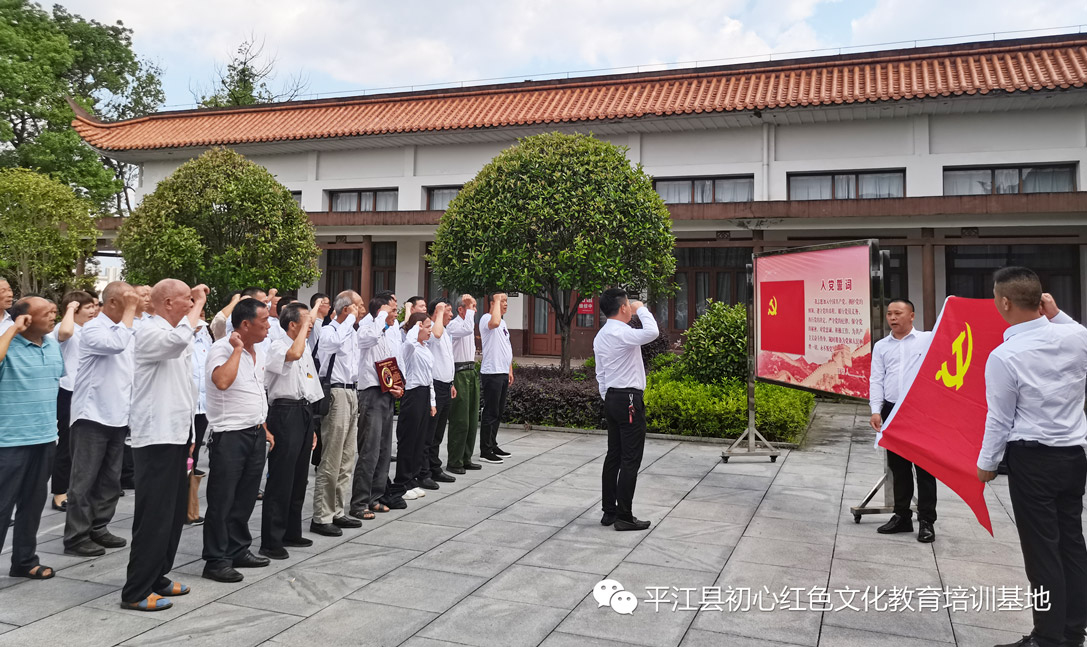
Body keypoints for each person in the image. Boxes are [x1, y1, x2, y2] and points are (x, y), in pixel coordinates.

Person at [977, 269, 1087, 647]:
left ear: (1004, 302)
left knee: (1042, 551)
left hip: (1033, 460)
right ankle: (1073, 631)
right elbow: (1077, 332)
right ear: (1041, 300)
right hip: (1073, 456)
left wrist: (987, 463)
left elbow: (1000, 417)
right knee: (1071, 542)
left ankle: (1048, 637)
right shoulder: (1076, 337)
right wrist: (1056, 315)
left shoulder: (1005, 355)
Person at [121, 280, 207, 612]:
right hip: (155, 436)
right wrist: (198, 305)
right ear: (168, 302)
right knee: (154, 514)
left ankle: (158, 576)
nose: (192, 304)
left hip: (175, 434)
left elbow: (184, 385)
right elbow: (176, 342)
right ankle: (135, 589)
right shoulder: (148, 331)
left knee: (172, 514)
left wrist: (190, 435)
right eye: (187, 299)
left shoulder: (175, 332)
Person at [64, 281, 139, 557]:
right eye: (128, 300)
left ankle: (99, 527)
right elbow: (116, 345)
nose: (134, 304)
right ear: (113, 303)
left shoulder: (129, 329)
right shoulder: (94, 327)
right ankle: (75, 536)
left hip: (118, 415)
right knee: (84, 480)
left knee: (110, 480)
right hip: (92, 415)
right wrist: (131, 313)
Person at [202, 298, 272, 583]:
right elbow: (221, 381)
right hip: (230, 435)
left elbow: (256, 391)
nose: (269, 325)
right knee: (223, 499)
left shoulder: (261, 350)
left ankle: (238, 548)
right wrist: (238, 349)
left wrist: (265, 427)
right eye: (264, 320)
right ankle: (216, 559)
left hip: (255, 432)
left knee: (245, 496)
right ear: (245, 324)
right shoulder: (222, 348)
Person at [0, 298, 63, 580]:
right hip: (9, 440)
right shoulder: (7, 343)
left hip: (45, 436)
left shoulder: (51, 345)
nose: (54, 316)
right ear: (24, 318)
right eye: (47, 312)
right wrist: (13, 330)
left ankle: (24, 560)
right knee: (2, 505)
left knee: (33, 503)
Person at [868, 298, 937, 543]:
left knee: (925, 469)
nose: (893, 318)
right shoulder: (882, 346)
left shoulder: (927, 340)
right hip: (891, 410)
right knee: (898, 467)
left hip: (920, 411)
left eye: (898, 313)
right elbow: (876, 379)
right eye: (889, 314)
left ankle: (927, 520)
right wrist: (876, 410)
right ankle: (902, 516)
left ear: (912, 316)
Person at [260, 302, 323, 559]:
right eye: (305, 322)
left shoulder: (304, 346)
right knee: (282, 477)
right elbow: (293, 355)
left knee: (299, 476)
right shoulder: (278, 345)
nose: (310, 327)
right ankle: (271, 540)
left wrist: (313, 425)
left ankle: (291, 530)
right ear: (292, 324)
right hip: (284, 411)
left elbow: (309, 382)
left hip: (303, 410)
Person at [594, 288, 659, 532]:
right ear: (623, 308)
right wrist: (641, 307)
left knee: (614, 455)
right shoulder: (622, 332)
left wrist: (607, 396)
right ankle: (624, 515)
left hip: (612, 397)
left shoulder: (601, 335)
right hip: (629, 398)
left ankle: (609, 511)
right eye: (628, 305)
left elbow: (600, 373)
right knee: (630, 459)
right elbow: (652, 332)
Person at [310, 290, 365, 536]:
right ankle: (321, 516)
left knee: (347, 456)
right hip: (336, 393)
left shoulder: (351, 331)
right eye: (358, 306)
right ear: (346, 309)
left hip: (352, 392)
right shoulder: (329, 330)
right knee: (331, 457)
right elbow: (330, 346)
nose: (362, 310)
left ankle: (338, 511)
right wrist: (349, 320)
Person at [351, 293, 404, 517]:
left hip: (386, 394)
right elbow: (366, 340)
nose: (395, 314)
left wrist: (398, 385)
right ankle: (359, 502)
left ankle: (375, 496)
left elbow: (387, 362)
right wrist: (382, 315)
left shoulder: (386, 331)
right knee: (369, 451)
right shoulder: (367, 326)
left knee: (383, 451)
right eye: (392, 310)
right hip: (371, 394)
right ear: (381, 310)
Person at [49, 291, 97, 512]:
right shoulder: (65, 327)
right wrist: (69, 308)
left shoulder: (90, 329)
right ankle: (59, 492)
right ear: (75, 308)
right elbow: (65, 332)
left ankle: (78, 489)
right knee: (67, 444)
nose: (93, 310)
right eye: (88, 307)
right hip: (68, 391)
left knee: (81, 444)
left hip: (86, 391)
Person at [386, 313, 437, 504]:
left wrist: (432, 402)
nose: (430, 330)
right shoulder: (409, 347)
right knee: (408, 441)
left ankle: (412, 479)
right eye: (427, 327)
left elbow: (429, 376)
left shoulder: (425, 348)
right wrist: (414, 328)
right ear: (417, 327)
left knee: (419, 440)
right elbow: (407, 346)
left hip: (423, 393)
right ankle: (402, 481)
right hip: (412, 394)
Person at [445, 294, 481, 475]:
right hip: (459, 372)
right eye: (471, 306)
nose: (475, 310)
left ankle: (466, 457)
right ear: (461, 309)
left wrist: (470, 308)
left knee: (472, 417)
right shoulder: (454, 325)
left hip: (471, 370)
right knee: (460, 419)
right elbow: (467, 329)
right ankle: (454, 460)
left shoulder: (466, 322)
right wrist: (468, 307)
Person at [423, 299, 456, 486]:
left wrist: (451, 383)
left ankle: (435, 468)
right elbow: (434, 334)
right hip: (434, 386)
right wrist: (440, 310)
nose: (450, 315)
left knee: (438, 433)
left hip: (445, 385)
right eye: (446, 311)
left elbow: (446, 360)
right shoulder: (433, 330)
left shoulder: (445, 332)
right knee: (430, 432)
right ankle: (425, 472)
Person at [478, 292, 514, 464]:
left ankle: (493, 444)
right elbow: (495, 321)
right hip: (491, 372)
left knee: (498, 412)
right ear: (492, 303)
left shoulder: (504, 323)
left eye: (506, 301)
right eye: (502, 301)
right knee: (490, 412)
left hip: (501, 371)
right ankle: (485, 450)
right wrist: (497, 301)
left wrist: (510, 369)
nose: (505, 304)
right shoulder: (487, 318)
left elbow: (507, 346)